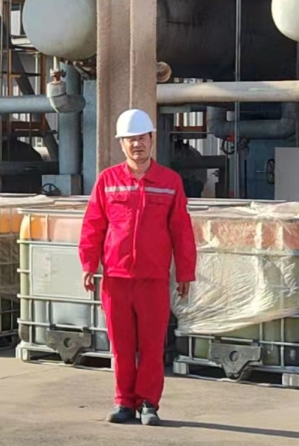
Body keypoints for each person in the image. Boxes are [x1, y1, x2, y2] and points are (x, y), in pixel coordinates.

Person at [78, 108, 196, 427]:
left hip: (154, 280)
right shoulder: (108, 180)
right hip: (115, 278)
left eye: (141, 138)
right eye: (130, 140)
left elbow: (181, 230)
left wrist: (185, 272)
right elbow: (93, 225)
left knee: (152, 345)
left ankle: (149, 404)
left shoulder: (170, 182)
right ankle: (124, 402)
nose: (136, 145)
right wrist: (89, 264)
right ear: (122, 144)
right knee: (121, 345)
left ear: (151, 140)